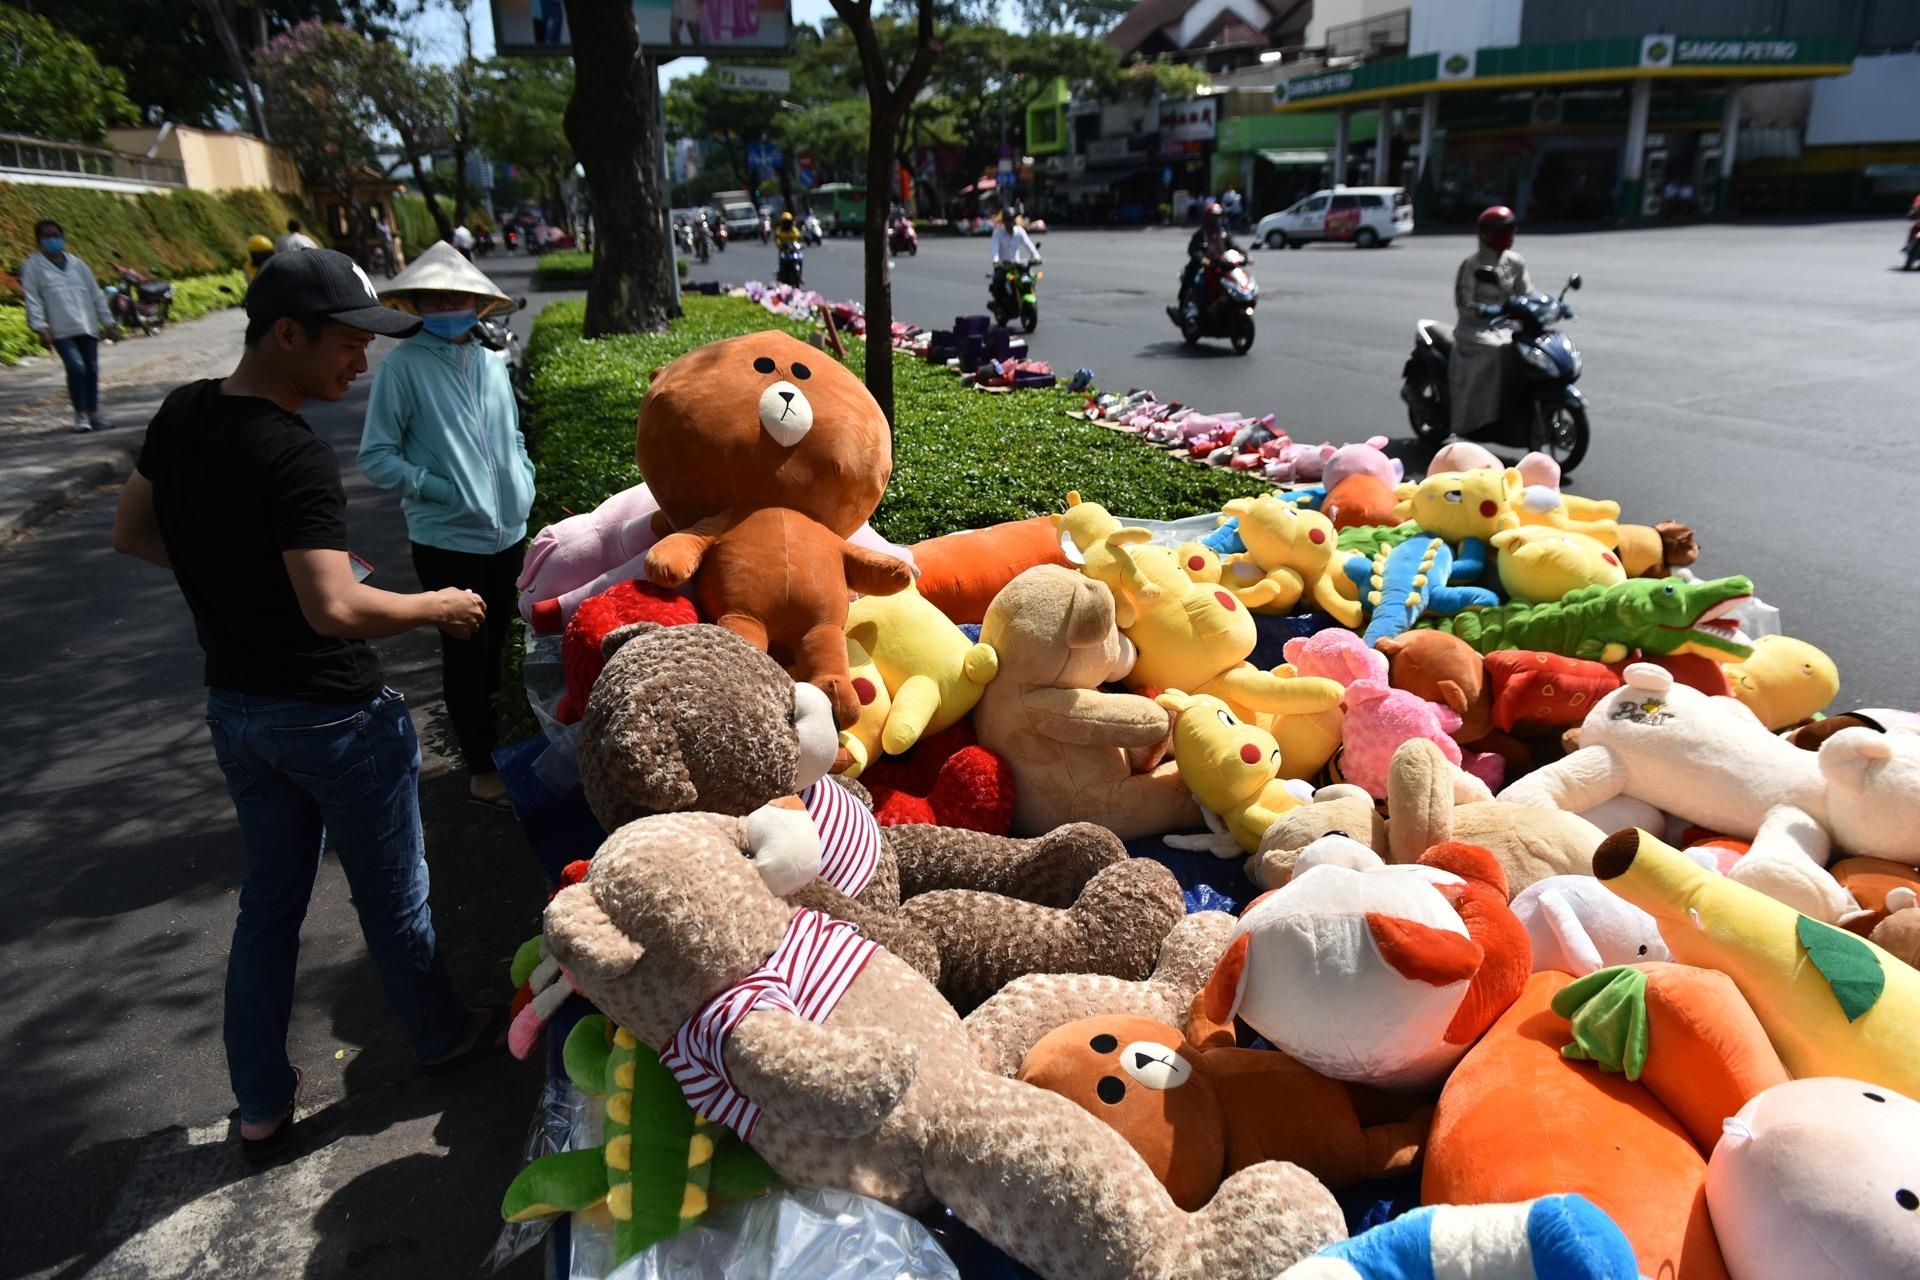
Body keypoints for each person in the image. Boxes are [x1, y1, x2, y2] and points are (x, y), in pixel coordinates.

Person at [110, 249, 502, 1160]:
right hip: (333, 720)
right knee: (394, 898)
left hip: (238, 715)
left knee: (269, 906)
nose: (358, 365)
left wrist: (236, 579)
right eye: (346, 346)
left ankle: (258, 1101)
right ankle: (442, 1035)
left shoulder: (181, 415)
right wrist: (436, 606)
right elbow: (337, 609)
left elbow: (134, 532)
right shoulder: (290, 452)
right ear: (286, 333)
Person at [356, 244, 533, 811]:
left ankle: (495, 750)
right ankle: (482, 771)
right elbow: (376, 455)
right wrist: (438, 487)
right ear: (415, 306)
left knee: (497, 647)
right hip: (447, 539)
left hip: (508, 533)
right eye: (432, 298)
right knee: (465, 654)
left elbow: (512, 437)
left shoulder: (490, 360)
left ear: (478, 304)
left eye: (456, 296)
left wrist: (523, 476)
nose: (445, 305)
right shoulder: (403, 368)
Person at [20, 219, 120, 433]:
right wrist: (40, 327)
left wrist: (109, 323)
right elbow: (32, 298)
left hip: (86, 325)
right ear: (38, 240)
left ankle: (94, 413)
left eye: (56, 235)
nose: (53, 240)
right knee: (76, 367)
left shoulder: (78, 264)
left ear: (63, 238)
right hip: (60, 329)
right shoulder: (33, 266)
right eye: (47, 236)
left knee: (91, 369)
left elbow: (95, 295)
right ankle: (80, 415)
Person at [1449, 205, 1532, 437]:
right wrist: (1483, 310)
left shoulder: (1516, 262)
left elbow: (1527, 293)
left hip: (1508, 325)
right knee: (1499, 351)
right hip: (1475, 328)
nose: (1510, 237)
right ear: (1487, 234)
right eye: (1504, 231)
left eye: (1512, 230)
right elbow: (1464, 303)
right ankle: (1476, 418)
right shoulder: (1472, 264)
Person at [1176, 201, 1237, 320]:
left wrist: (1245, 255)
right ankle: (1190, 311)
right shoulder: (1201, 234)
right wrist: (1202, 259)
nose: (1216, 220)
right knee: (1199, 284)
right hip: (1204, 268)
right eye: (1213, 217)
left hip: (1222, 265)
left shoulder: (1223, 233)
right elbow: (1194, 249)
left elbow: (1234, 247)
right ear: (1207, 218)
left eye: (1218, 217)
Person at [988, 206, 1040, 312]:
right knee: (999, 279)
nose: (1010, 222)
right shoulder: (997, 233)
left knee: (1030, 277)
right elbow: (995, 251)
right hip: (1003, 266)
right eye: (1007, 220)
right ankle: (999, 305)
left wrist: (1036, 257)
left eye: (1012, 219)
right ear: (1004, 221)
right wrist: (996, 261)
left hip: (1017, 265)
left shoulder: (1019, 231)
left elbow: (1029, 245)